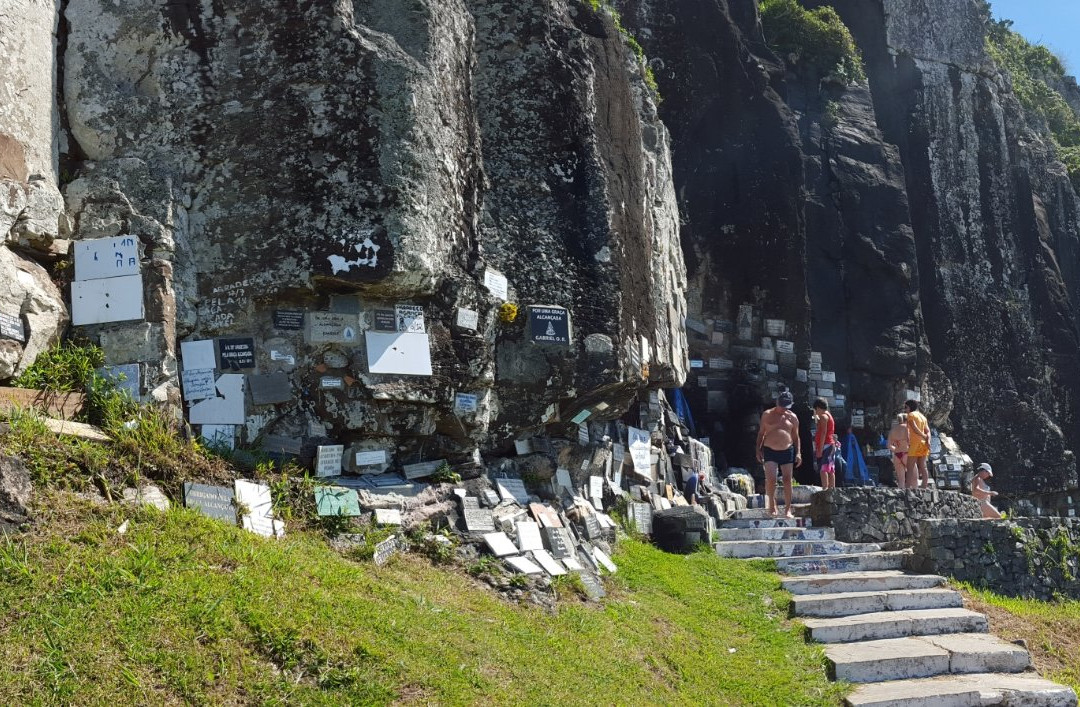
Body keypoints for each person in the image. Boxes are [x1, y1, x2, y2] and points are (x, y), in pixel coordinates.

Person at [756, 389, 801, 518]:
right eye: (781, 406)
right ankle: (771, 504)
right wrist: (757, 450)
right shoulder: (767, 415)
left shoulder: (792, 417)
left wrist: (798, 453)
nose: (783, 409)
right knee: (771, 479)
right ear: (777, 402)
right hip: (770, 449)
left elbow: (796, 437)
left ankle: (788, 509)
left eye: (786, 406)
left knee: (787, 479)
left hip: (787, 449)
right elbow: (761, 433)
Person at [904, 400, 931, 488]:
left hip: (915, 443)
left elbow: (914, 427)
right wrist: (928, 440)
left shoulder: (911, 415)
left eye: (906, 407)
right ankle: (924, 486)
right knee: (923, 466)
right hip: (923, 444)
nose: (905, 410)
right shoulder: (923, 417)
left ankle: (907, 487)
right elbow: (928, 431)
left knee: (910, 466)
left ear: (910, 407)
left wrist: (923, 436)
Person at [812, 398, 836, 489]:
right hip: (830, 444)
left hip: (825, 445)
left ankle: (825, 489)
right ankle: (832, 488)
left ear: (818, 408)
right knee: (830, 468)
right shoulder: (829, 415)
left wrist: (820, 449)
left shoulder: (823, 417)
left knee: (823, 468)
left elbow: (823, 433)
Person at [886, 413, 910, 489]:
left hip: (897, 455)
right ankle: (914, 497)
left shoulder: (893, 430)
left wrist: (896, 449)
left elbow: (888, 445)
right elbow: (910, 441)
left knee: (901, 480)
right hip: (907, 453)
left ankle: (901, 497)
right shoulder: (907, 428)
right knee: (913, 478)